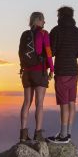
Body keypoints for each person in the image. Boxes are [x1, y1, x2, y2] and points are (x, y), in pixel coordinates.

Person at [47, 6, 78, 143]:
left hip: (62, 70)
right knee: (71, 101)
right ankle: (68, 132)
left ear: (60, 16)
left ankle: (63, 136)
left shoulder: (56, 31)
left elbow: (51, 50)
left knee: (63, 103)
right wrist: (72, 54)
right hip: (74, 71)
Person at [19, 12, 54, 143]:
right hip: (40, 71)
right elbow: (48, 52)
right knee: (39, 104)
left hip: (26, 72)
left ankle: (23, 134)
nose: (44, 23)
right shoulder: (44, 33)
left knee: (26, 103)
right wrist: (52, 69)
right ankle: (38, 134)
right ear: (38, 20)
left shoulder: (24, 34)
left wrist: (23, 67)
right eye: (43, 20)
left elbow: (20, 53)